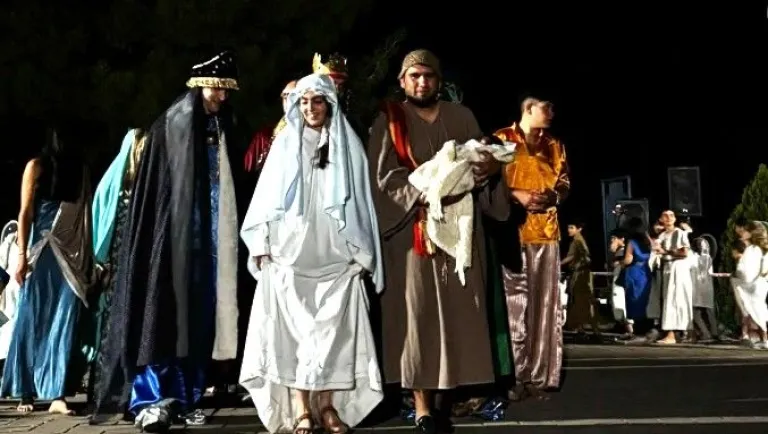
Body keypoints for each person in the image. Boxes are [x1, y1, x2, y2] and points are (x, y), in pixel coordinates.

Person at [91, 51, 244, 432]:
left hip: (207, 248)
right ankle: (152, 399)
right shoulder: (174, 124)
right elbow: (162, 197)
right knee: (162, 317)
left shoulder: (221, 124)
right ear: (199, 85)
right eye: (217, 89)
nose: (222, 98)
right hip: (172, 246)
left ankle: (188, 396)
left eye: (227, 91)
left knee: (198, 322)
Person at [367, 49, 509, 433]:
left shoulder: (461, 117)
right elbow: (383, 180)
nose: (421, 82)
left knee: (460, 314)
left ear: (438, 81)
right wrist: (428, 191)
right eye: (414, 76)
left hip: (460, 232)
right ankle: (423, 406)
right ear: (402, 81)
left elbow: (484, 162)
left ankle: (451, 397)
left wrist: (491, 168)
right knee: (418, 317)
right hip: (414, 233)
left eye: (428, 76)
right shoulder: (389, 120)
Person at [239, 73, 384, 434]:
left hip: (335, 256)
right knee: (295, 336)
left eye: (316, 101)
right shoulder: (285, 143)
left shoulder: (347, 146)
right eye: (303, 102)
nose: (310, 108)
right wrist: (262, 246)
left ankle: (328, 406)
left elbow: (361, 203)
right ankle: (302, 408)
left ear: (329, 104)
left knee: (333, 336)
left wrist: (361, 250)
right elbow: (264, 203)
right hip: (291, 255)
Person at [1, 131, 95, 415]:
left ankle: (58, 395)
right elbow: (25, 212)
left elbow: (84, 214)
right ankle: (25, 391)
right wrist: (20, 257)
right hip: (40, 253)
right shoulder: (36, 166)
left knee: (64, 322)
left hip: (70, 254)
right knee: (32, 319)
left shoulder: (81, 171)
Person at [494, 96, 570, 401]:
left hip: (546, 235)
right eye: (546, 107)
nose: (551, 113)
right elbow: (487, 181)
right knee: (513, 308)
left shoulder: (555, 144)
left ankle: (539, 378)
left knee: (544, 308)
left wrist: (554, 197)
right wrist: (516, 195)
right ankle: (512, 375)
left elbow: (564, 182)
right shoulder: (502, 139)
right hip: (511, 232)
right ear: (528, 109)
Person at [87, 128, 147, 409]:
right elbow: (101, 224)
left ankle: (127, 393)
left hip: (132, 271)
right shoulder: (115, 188)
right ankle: (107, 392)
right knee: (112, 329)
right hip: (114, 271)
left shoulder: (145, 189)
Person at [653, 210, 694, 344]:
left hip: (679, 268)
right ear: (661, 219)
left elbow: (684, 252)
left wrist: (665, 251)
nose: (668, 218)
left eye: (671, 215)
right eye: (665, 215)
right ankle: (673, 334)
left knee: (677, 300)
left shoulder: (679, 233)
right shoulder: (662, 235)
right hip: (667, 268)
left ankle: (676, 334)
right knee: (669, 301)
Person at [563, 222, 601, 339]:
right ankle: (583, 329)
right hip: (581, 275)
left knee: (583, 302)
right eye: (568, 227)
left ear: (579, 229)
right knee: (581, 302)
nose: (569, 230)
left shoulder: (578, 241)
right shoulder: (578, 240)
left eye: (572, 227)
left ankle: (592, 330)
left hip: (581, 276)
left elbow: (577, 257)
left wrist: (558, 264)